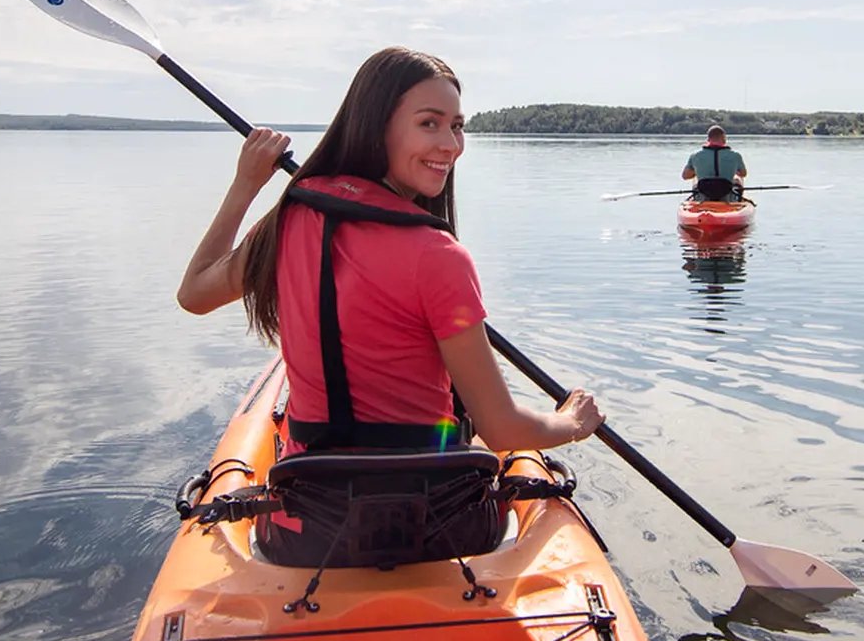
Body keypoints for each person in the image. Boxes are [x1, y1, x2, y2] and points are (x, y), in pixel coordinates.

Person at [176, 46, 602, 458]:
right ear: (376, 126)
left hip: (305, 510)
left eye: (456, 125)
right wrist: (572, 423)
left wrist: (245, 185)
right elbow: (501, 429)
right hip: (430, 515)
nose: (451, 145)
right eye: (429, 124)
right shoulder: (439, 256)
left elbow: (194, 294)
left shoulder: (286, 222)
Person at [682, 124, 747, 202]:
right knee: (738, 178)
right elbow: (743, 174)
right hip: (725, 191)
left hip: (704, 191)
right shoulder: (736, 155)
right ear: (724, 139)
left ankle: (697, 200)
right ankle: (737, 200)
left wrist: (699, 170)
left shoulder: (695, 155)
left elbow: (685, 176)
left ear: (708, 139)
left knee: (696, 179)